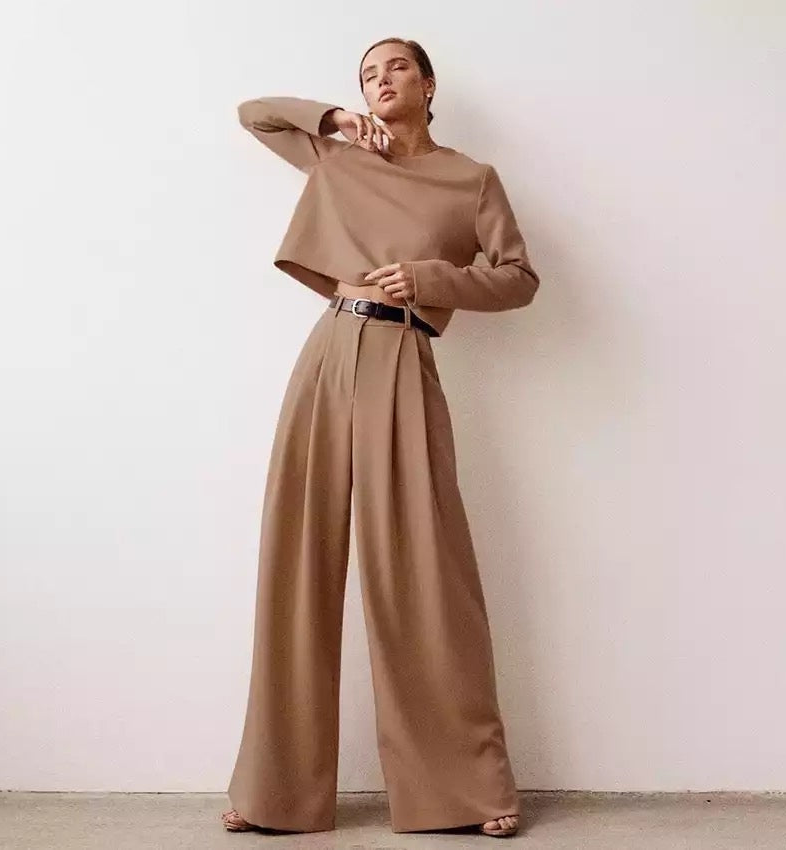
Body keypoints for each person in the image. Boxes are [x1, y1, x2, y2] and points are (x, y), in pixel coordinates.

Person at [222, 36, 540, 839]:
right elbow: (255, 115)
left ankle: (466, 793)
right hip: (330, 351)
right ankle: (273, 795)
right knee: (298, 561)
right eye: (367, 74)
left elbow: (518, 277)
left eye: (396, 66)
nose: (380, 79)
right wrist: (332, 117)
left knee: (423, 569)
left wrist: (431, 280)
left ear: (428, 85)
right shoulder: (339, 156)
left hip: (403, 353)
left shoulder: (472, 179)